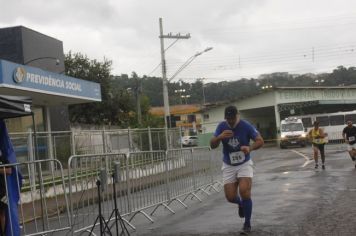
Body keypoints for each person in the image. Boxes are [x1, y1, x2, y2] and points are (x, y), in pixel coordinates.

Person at [210, 105, 264, 235]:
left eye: (232, 118)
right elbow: (212, 145)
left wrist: (249, 148)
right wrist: (219, 137)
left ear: (237, 116)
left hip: (244, 163)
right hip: (228, 164)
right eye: (228, 119)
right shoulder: (222, 126)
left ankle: (247, 224)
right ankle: (240, 204)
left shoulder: (246, 126)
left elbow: (260, 141)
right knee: (230, 197)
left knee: (244, 190)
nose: (230, 121)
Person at [0, 149, 11, 236]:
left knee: (2, 212)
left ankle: (3, 233)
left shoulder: (3, 158)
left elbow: (9, 171)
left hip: (2, 191)